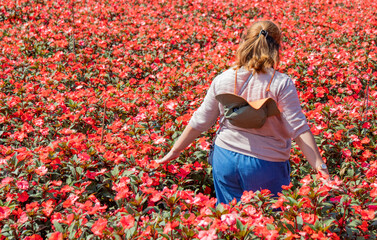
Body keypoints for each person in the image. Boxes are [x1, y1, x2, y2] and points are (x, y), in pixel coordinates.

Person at [156, 20, 330, 204]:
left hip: (225, 158)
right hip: (265, 164)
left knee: (230, 222)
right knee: (267, 222)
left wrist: (174, 151)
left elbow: (201, 121)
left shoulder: (223, 78)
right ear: (277, 48)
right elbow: (298, 128)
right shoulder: (281, 83)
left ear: (244, 42)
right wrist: (321, 168)